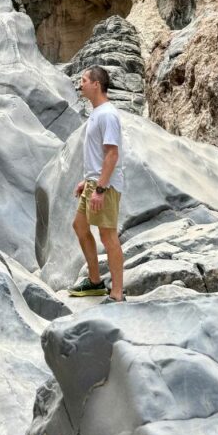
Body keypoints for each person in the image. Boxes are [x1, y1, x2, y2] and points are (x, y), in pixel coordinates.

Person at [68, 65, 125, 301]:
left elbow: (112, 154)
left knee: (107, 236)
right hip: (94, 182)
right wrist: (88, 181)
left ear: (96, 85)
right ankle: (94, 281)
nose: (80, 85)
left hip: (106, 186)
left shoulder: (108, 114)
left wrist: (100, 188)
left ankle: (117, 294)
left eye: (83, 80)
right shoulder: (97, 113)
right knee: (80, 227)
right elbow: (99, 153)